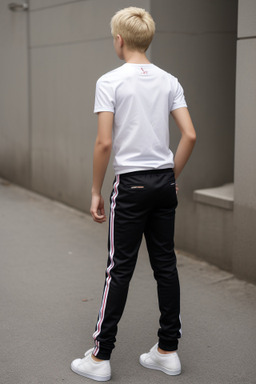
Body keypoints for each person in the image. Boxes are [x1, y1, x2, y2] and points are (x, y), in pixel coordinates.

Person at [71, 6, 196, 382]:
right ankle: (167, 351)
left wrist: (96, 191)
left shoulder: (110, 81)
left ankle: (100, 357)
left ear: (119, 40)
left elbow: (104, 142)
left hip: (130, 185)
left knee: (119, 270)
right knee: (165, 266)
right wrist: (169, 175)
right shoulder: (169, 80)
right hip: (162, 182)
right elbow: (190, 135)